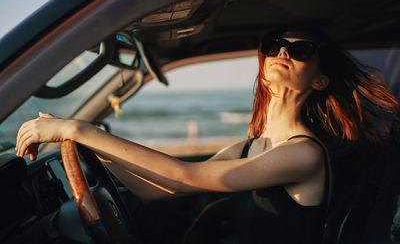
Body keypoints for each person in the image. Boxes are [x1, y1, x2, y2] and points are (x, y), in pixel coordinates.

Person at [16, 26, 400, 243]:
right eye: (275, 46)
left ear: (320, 80)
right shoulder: (252, 147)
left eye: (301, 49)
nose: (284, 51)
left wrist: (78, 128)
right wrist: (93, 149)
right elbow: (159, 188)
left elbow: (186, 179)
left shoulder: (305, 154)